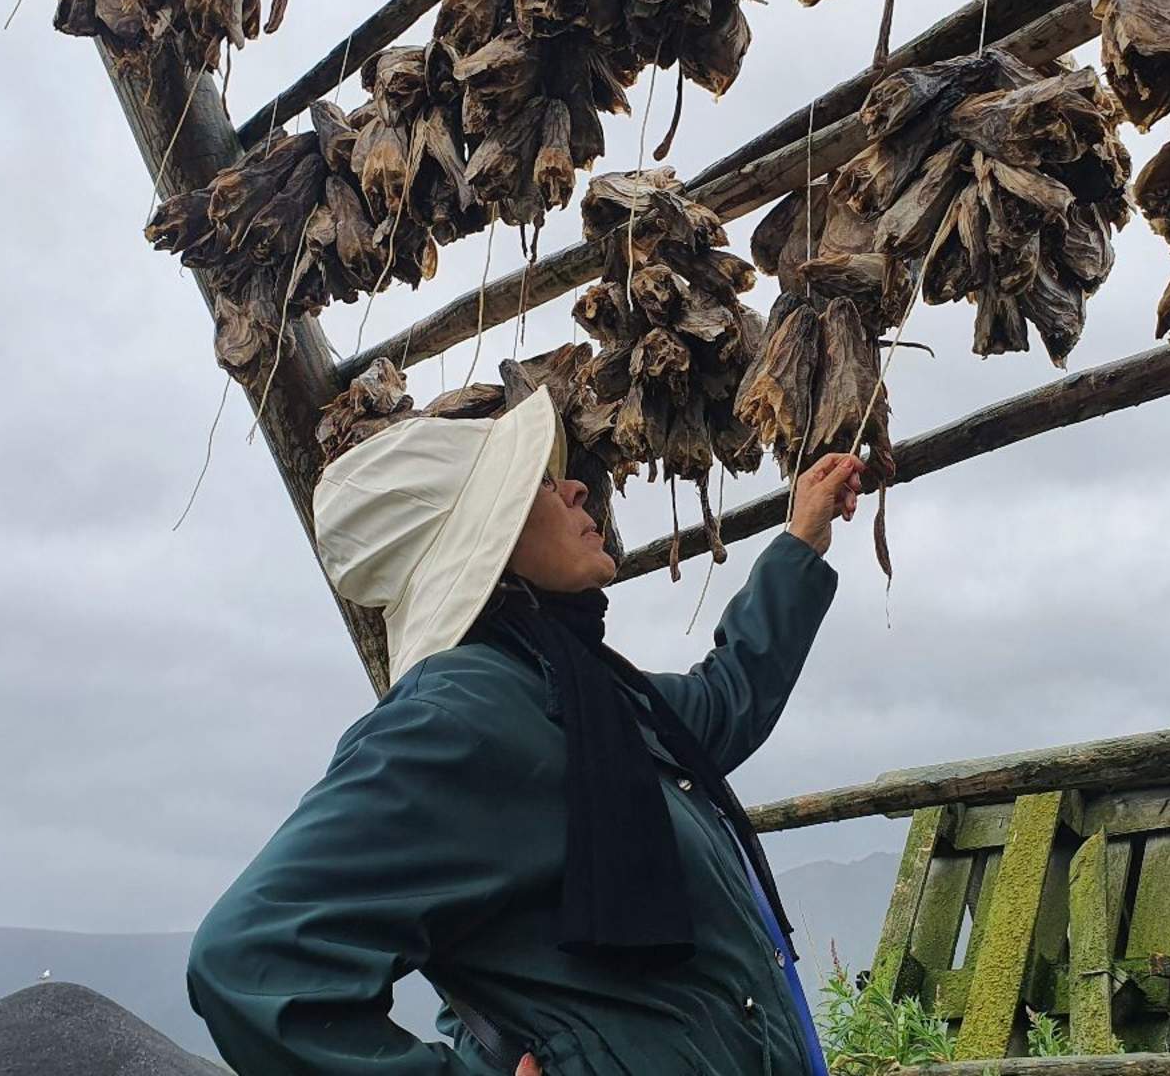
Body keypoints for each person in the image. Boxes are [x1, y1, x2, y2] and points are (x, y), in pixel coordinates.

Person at [187, 387, 865, 1075]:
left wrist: (800, 542)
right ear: (484, 533)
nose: (575, 489)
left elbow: (725, 701)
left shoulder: (584, 700)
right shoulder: (457, 717)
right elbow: (250, 959)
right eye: (537, 482)